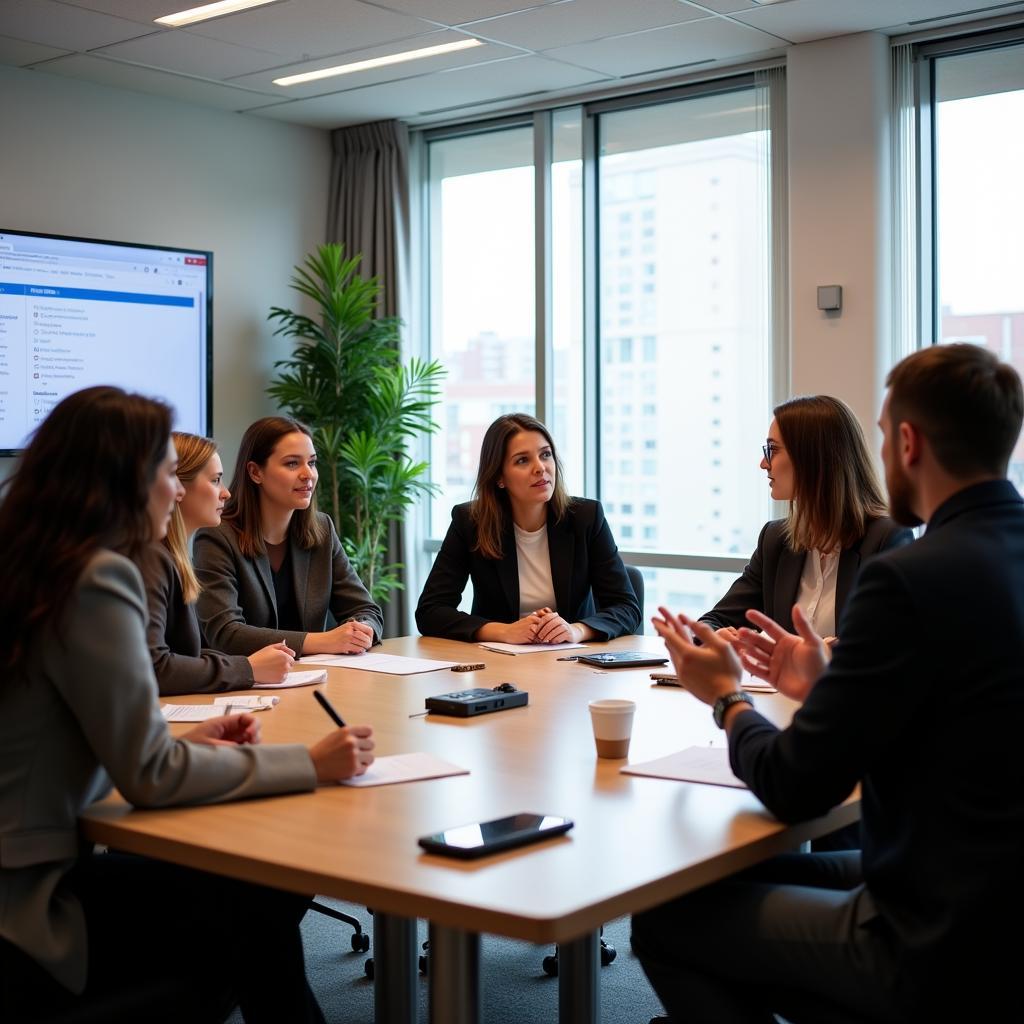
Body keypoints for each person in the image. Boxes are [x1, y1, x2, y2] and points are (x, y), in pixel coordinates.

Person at [632, 344, 1024, 1023]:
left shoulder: (907, 574)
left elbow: (792, 788)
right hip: (990, 899)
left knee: (665, 917)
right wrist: (823, 692)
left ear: (907, 442)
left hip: (927, 930)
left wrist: (725, 698)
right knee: (727, 880)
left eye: (881, 432)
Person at [0, 387, 375, 1023]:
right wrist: (310, 765)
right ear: (120, 479)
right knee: (259, 901)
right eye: (162, 474)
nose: (176, 492)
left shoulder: (34, 566)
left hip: (26, 865)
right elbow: (150, 777)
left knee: (255, 908)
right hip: (32, 904)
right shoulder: (100, 577)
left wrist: (182, 742)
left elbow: (66, 735)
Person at [700, 394, 913, 644]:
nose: (763, 463)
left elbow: (888, 644)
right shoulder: (775, 539)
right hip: (776, 685)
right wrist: (718, 635)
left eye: (772, 450)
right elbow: (711, 620)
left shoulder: (886, 538)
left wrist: (824, 652)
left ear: (812, 458)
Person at [416, 412, 640, 643]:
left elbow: (627, 608)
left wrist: (576, 630)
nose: (540, 468)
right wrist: (503, 631)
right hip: (499, 664)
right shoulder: (470, 522)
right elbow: (431, 611)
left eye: (545, 455)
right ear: (499, 477)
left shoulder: (586, 517)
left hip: (573, 662)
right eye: (522, 460)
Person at [195, 416, 384, 657]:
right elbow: (226, 633)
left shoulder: (322, 529)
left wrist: (362, 630)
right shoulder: (217, 535)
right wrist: (324, 641)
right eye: (293, 464)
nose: (309, 474)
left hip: (313, 677)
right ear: (255, 472)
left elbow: (366, 609)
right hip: (245, 686)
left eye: (312, 463)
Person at [138, 431, 297, 694]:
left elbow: (186, 655)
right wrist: (247, 668)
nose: (225, 493)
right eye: (215, 480)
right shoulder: (152, 559)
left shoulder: (174, 559)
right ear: (178, 487)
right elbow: (154, 667)